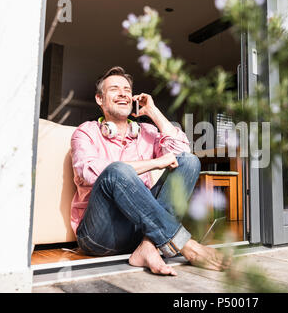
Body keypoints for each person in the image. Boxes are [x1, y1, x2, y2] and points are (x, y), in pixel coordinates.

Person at [70, 66, 231, 276]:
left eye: (127, 90)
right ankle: (187, 245)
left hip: (140, 227)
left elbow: (182, 153)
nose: (123, 94)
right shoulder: (85, 132)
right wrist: (156, 163)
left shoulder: (146, 132)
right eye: (115, 89)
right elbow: (90, 173)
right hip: (101, 233)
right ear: (100, 99)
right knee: (116, 171)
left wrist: (153, 112)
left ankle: (148, 246)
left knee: (189, 161)